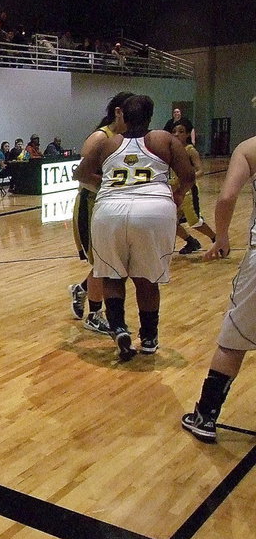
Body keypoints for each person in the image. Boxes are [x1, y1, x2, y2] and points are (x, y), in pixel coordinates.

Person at [75, 94, 194, 361]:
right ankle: (149, 338)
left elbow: (81, 174)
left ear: (123, 117)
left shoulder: (107, 143)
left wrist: (107, 187)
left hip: (109, 211)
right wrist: (177, 194)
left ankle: (118, 327)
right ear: (150, 117)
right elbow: (187, 176)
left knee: (112, 275)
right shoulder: (164, 139)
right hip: (153, 209)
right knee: (146, 278)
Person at [181, 132, 256, 442]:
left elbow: (226, 198)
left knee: (234, 340)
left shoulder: (250, 147)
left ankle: (206, 416)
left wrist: (221, 236)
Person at [68, 92, 132, 335]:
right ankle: (94, 314)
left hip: (113, 204)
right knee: (102, 263)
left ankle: (83, 290)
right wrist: (112, 184)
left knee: (112, 260)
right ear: (118, 112)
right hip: (92, 204)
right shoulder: (100, 136)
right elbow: (82, 174)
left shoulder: (126, 138)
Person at [172, 120, 216, 254]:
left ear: (187, 134)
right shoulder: (172, 150)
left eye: (180, 131)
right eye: (174, 131)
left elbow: (200, 171)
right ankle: (191, 241)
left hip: (189, 190)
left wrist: (187, 178)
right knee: (171, 222)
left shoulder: (190, 151)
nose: (176, 134)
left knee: (194, 221)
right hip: (176, 190)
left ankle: (216, 238)